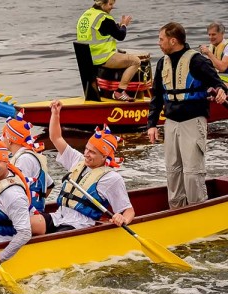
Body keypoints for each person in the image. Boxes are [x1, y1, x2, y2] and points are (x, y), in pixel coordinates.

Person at [147, 22, 228, 209]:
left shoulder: (197, 61)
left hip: (193, 122)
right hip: (171, 123)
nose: (159, 43)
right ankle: (176, 210)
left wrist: (222, 92)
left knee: (192, 173)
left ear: (173, 41)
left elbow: (218, 84)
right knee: (173, 171)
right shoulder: (162, 63)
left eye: (161, 39)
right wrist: (151, 124)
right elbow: (157, 96)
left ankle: (197, 208)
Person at [31, 100, 134, 235]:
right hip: (58, 217)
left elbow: (129, 211)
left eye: (92, 152)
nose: (86, 154)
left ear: (104, 157)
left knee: (53, 238)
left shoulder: (112, 178)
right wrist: (55, 114)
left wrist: (123, 218)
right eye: (86, 149)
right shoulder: (78, 160)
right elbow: (55, 137)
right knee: (24, 224)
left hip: (79, 225)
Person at [76, 0, 141, 101]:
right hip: (101, 57)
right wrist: (124, 25)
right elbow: (120, 36)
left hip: (87, 58)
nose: (112, 7)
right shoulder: (104, 18)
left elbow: (106, 30)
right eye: (110, 4)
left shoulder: (87, 15)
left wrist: (119, 26)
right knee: (136, 61)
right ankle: (119, 92)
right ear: (102, 4)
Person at [1, 111, 54, 213]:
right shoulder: (31, 154)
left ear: (10, 139)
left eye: (3, 134)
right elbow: (50, 186)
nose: (1, 138)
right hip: (34, 213)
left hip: (27, 217)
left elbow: (18, 192)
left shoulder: (24, 160)